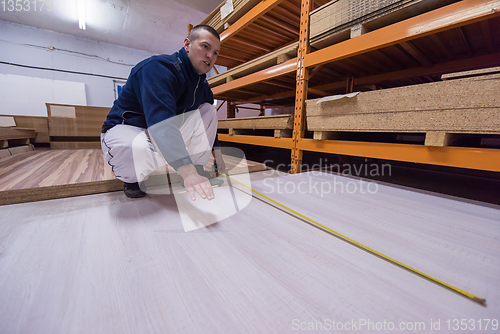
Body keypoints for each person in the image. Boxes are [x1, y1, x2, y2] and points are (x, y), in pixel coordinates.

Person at [101, 25, 226, 201]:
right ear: (187, 44)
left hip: (161, 132)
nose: (210, 56)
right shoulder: (158, 69)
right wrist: (186, 171)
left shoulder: (203, 87)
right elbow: (162, 123)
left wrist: (218, 156)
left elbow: (208, 123)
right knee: (135, 148)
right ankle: (133, 180)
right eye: (205, 46)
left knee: (209, 110)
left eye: (216, 53)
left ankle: (197, 170)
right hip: (129, 129)